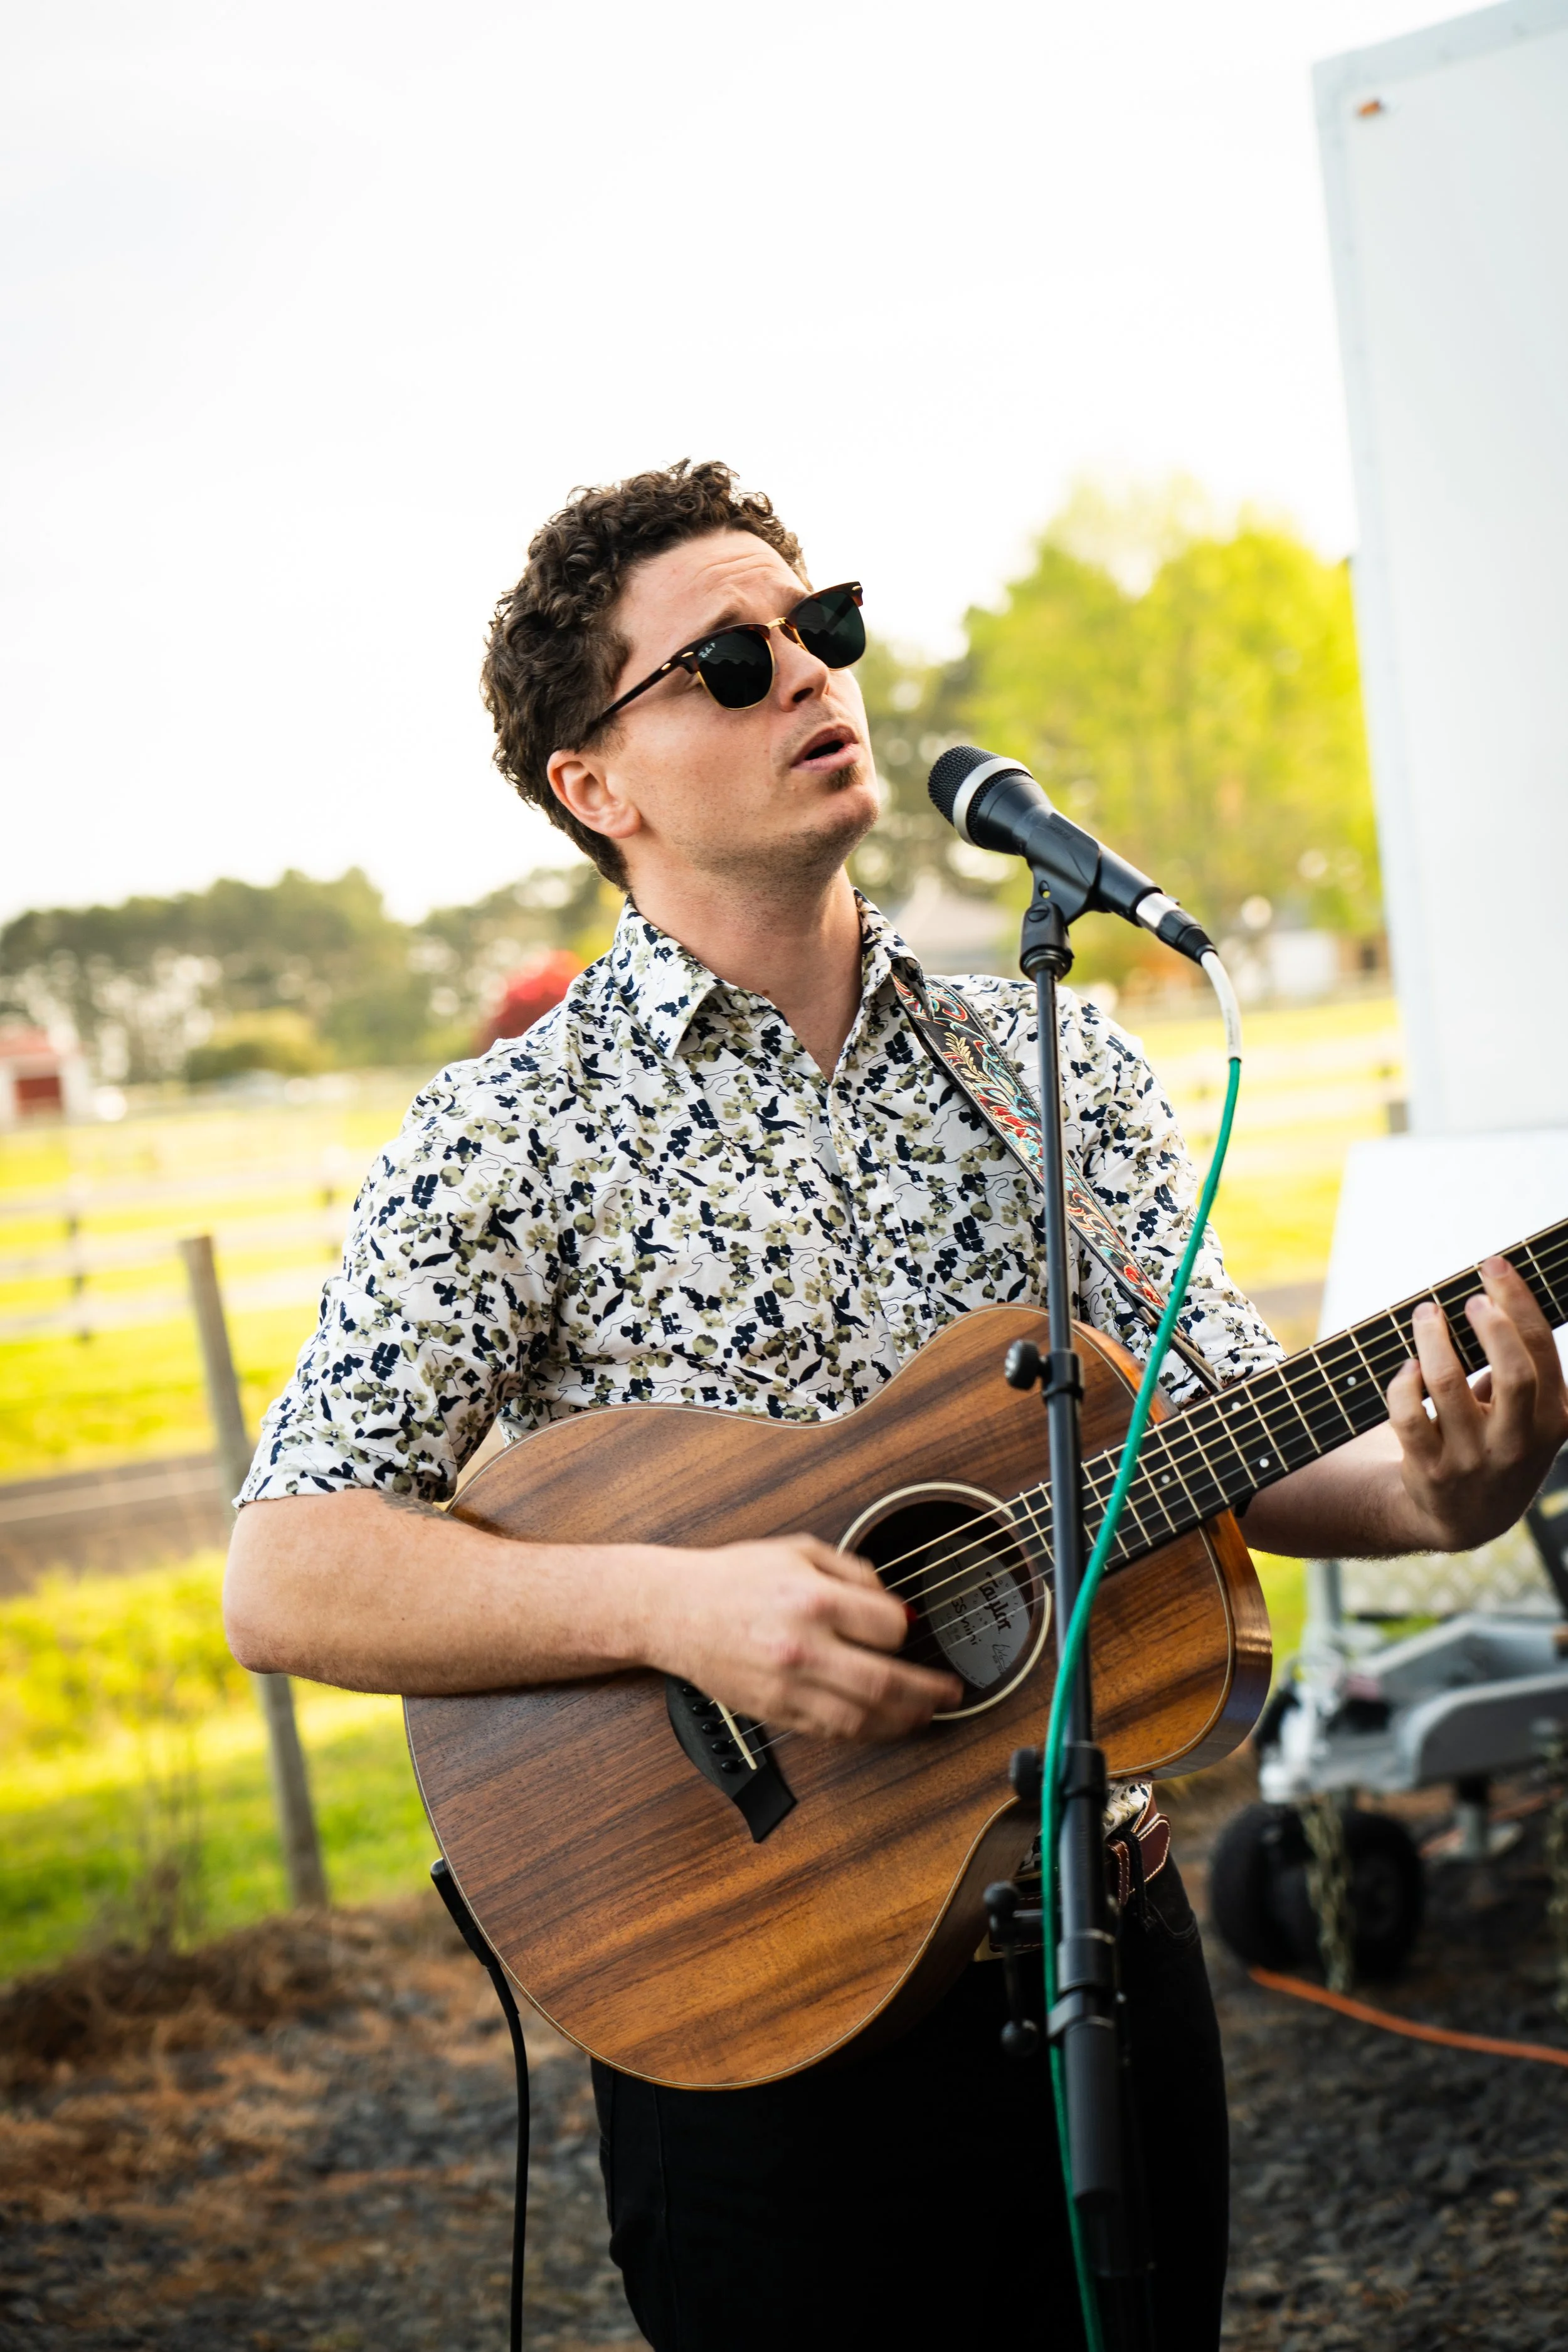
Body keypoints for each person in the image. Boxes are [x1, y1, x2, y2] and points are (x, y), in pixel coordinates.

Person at [225, 459, 1568, 2351]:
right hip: (740, 1988)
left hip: (1105, 1948)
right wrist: (676, 1607)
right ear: (595, 788)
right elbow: (289, 1572)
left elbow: (1226, 1437)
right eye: (729, 658)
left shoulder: (1051, 1059)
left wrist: (1438, 1497)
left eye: (820, 626)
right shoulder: (504, 1136)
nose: (807, 672)